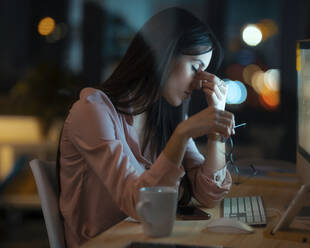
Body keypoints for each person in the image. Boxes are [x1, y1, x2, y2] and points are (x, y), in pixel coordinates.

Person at [58, 7, 234, 247]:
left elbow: (208, 195)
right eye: (195, 68)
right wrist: (182, 135)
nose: (198, 84)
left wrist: (217, 126)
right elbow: (140, 204)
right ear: (163, 54)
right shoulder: (93, 111)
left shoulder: (165, 117)